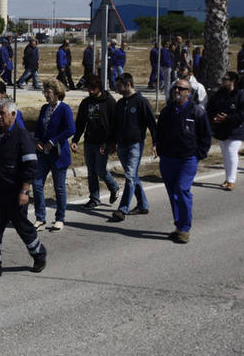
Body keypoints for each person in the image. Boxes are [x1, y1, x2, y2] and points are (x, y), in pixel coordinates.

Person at [0, 99, 47, 278]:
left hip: (15, 194)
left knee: (23, 227)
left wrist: (24, 190)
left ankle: (39, 254)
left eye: (3, 114)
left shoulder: (23, 137)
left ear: (13, 115)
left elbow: (31, 166)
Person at [155, 78, 212, 243]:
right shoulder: (167, 111)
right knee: (173, 193)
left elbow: (205, 136)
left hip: (187, 160)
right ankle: (179, 225)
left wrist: (198, 154)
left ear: (189, 92)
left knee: (182, 190)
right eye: (175, 88)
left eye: (181, 89)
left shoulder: (197, 111)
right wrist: (160, 149)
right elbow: (160, 132)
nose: (177, 91)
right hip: (168, 160)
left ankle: (185, 228)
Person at [108, 73, 158, 221]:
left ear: (128, 84)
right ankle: (143, 205)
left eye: (119, 86)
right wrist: (112, 142)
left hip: (136, 144)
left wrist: (156, 143)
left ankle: (122, 209)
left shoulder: (141, 101)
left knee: (129, 176)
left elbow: (152, 124)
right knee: (133, 175)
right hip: (122, 144)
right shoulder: (120, 103)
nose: (117, 88)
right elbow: (114, 125)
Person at [32, 80, 76, 231]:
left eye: (48, 92)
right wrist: (37, 140)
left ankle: (60, 218)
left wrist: (53, 141)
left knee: (59, 187)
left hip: (58, 154)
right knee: (37, 184)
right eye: (45, 92)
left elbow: (71, 129)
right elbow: (38, 128)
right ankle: (40, 217)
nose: (46, 95)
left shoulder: (64, 109)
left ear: (57, 94)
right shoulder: (44, 108)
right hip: (42, 153)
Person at [71, 76, 119, 209]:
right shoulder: (86, 103)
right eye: (88, 89)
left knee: (100, 169)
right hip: (89, 141)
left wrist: (112, 142)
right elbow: (80, 122)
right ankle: (94, 198)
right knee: (91, 171)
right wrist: (75, 139)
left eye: (93, 88)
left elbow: (115, 124)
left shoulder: (109, 102)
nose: (90, 91)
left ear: (99, 87)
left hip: (103, 142)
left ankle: (113, 186)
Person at [207, 71, 244, 191]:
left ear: (233, 81)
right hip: (221, 129)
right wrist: (214, 118)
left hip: (236, 130)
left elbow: (241, 114)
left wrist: (228, 118)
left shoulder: (240, 95)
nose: (223, 81)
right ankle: (228, 178)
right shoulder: (219, 94)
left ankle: (231, 180)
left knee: (232, 152)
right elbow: (210, 107)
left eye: (226, 79)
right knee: (225, 155)